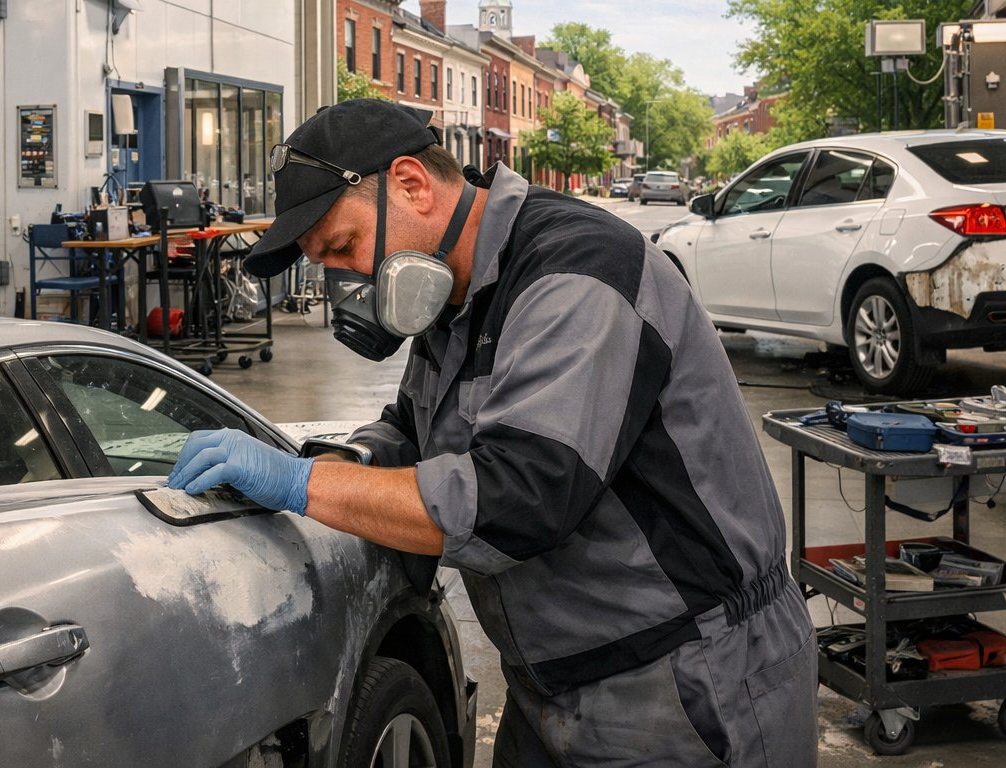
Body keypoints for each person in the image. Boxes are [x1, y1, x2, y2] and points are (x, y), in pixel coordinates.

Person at [168, 99, 816, 768]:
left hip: (684, 682)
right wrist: (339, 460)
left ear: (412, 185)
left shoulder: (576, 273)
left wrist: (306, 485)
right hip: (551, 685)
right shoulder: (454, 292)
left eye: (344, 246)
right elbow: (409, 433)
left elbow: (522, 498)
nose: (347, 279)